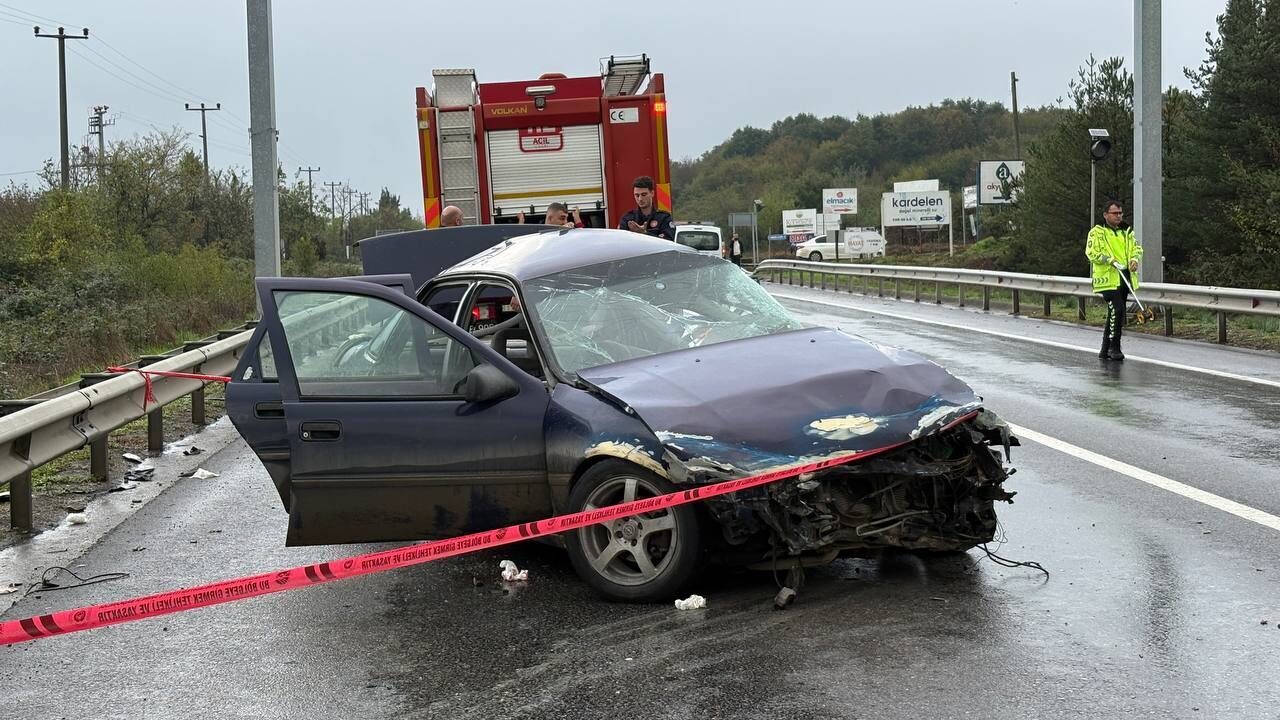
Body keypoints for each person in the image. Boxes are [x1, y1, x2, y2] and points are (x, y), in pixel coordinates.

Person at [1085, 200, 1143, 361]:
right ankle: (1114, 347)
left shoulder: (1127, 231)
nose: (1118, 216)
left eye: (1120, 213)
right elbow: (1091, 252)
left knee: (1115, 312)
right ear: (1105, 215)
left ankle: (1105, 348)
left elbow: (1136, 248)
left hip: (1124, 277)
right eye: (1114, 213)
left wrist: (1134, 260)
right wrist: (1109, 260)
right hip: (1107, 279)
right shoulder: (1097, 232)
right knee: (1117, 309)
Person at [516, 203, 584, 228]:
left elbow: (582, 239)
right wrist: (521, 222)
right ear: (550, 218)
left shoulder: (566, 233)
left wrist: (576, 218)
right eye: (562, 218)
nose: (565, 222)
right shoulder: (537, 233)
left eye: (566, 218)